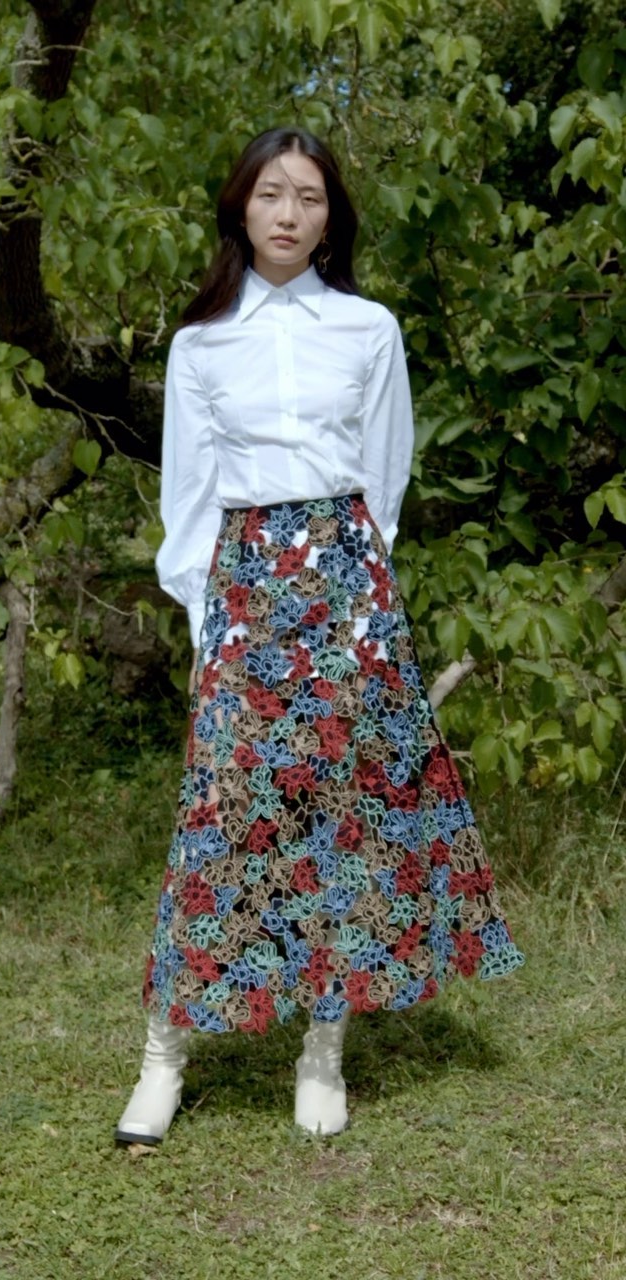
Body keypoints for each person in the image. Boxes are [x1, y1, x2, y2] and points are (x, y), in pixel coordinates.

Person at [115, 127, 524, 1146]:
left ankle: (322, 1051)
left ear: (330, 216)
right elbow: (188, 497)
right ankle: (164, 1057)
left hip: (345, 589)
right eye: (270, 194)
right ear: (241, 208)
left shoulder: (368, 329)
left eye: (307, 196)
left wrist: (363, 608)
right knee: (222, 819)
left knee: (338, 823)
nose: (288, 213)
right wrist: (211, 623)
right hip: (243, 591)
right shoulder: (201, 343)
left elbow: (383, 478)